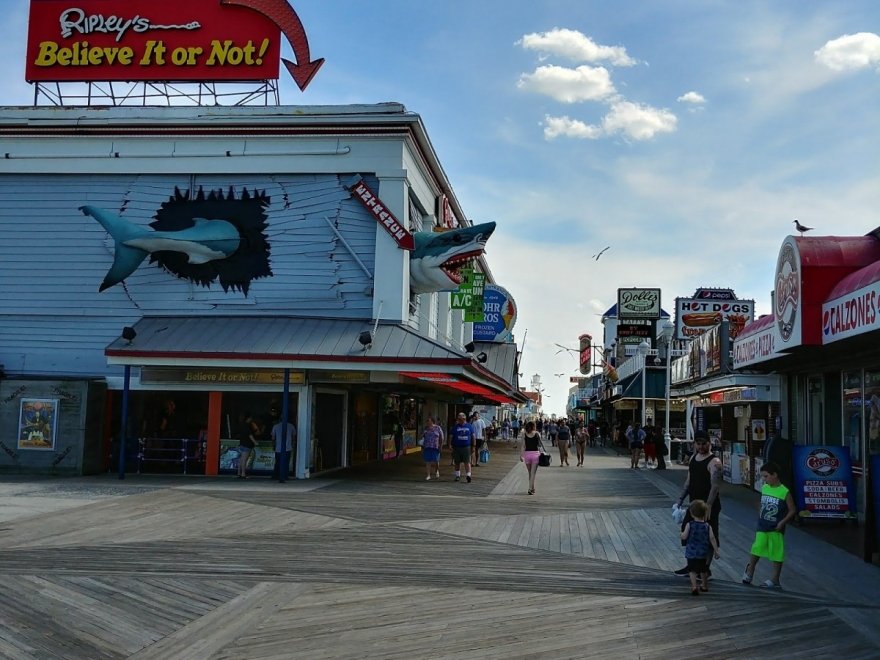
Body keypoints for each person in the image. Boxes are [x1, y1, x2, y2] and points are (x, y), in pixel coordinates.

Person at [673, 431, 723, 578]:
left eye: (704, 444)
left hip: (708, 506)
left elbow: (715, 486)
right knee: (688, 533)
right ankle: (692, 567)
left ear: (710, 443)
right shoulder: (694, 457)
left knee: (708, 535)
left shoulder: (715, 462)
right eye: (698, 443)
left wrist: (708, 506)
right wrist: (680, 499)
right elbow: (689, 481)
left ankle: (705, 569)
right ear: (694, 443)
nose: (701, 446)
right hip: (694, 505)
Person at [741, 462, 796, 589]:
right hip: (762, 525)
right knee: (757, 547)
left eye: (766, 476)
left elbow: (792, 509)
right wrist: (760, 511)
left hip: (776, 527)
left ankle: (775, 579)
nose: (764, 479)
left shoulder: (784, 491)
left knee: (776, 552)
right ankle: (750, 569)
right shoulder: (765, 488)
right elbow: (762, 501)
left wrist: (782, 522)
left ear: (774, 475)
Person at [680, 499, 720, 596]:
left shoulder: (689, 525)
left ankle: (694, 587)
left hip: (691, 552)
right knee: (703, 569)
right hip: (703, 553)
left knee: (692, 570)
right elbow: (712, 538)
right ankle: (704, 585)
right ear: (704, 513)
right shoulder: (707, 526)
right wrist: (716, 550)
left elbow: (684, 536)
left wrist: (680, 533)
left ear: (692, 514)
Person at [519, 420, 543, 495]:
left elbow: (523, 446)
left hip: (527, 455)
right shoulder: (537, 434)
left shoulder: (524, 434)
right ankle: (530, 489)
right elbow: (539, 445)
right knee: (533, 473)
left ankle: (532, 488)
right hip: (535, 455)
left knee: (530, 473)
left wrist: (521, 455)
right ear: (534, 426)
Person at [450, 412, 474, 483]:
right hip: (457, 447)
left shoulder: (469, 426)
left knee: (467, 462)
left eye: (461, 419)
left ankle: (468, 476)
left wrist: (473, 446)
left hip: (466, 447)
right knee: (457, 462)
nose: (459, 420)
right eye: (458, 419)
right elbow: (451, 436)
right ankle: (457, 475)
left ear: (464, 419)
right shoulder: (455, 427)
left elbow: (473, 436)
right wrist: (450, 445)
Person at [271, 414, 296, 480]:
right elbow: (293, 437)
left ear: (280, 419)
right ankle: (285, 476)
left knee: (277, 462)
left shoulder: (275, 426)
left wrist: (273, 446)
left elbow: (273, 438)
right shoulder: (291, 426)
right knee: (286, 463)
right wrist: (292, 445)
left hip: (278, 448)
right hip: (288, 447)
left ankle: (276, 476)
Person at [421, 416, 444, 481]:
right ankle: (428, 475)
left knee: (436, 460)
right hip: (427, 446)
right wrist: (423, 433)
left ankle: (436, 471)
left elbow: (441, 437)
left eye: (428, 420)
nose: (427, 422)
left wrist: (441, 446)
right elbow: (421, 436)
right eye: (427, 421)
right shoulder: (426, 428)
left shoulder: (438, 428)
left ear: (432, 421)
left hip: (435, 446)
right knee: (428, 461)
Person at [237, 411, 258, 479]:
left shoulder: (241, 424)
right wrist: (255, 442)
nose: (251, 419)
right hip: (247, 444)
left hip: (242, 443)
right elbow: (250, 435)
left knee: (241, 459)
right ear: (248, 418)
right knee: (244, 460)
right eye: (250, 418)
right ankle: (243, 474)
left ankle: (239, 473)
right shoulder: (247, 425)